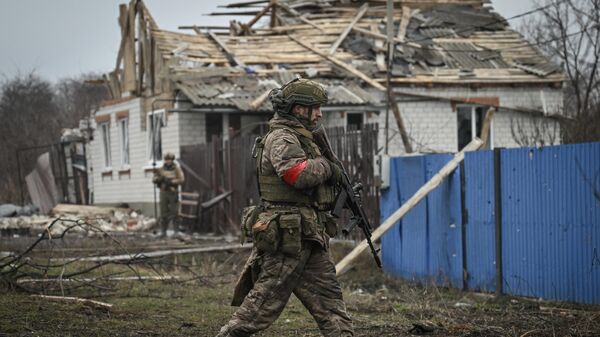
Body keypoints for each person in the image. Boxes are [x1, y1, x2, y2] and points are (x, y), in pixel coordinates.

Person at [216, 78, 353, 337]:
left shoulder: (303, 137)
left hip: (308, 234)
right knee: (261, 307)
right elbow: (296, 174)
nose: (320, 113)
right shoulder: (282, 137)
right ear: (297, 108)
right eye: (315, 107)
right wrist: (327, 167)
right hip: (288, 236)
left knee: (330, 302)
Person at [152, 152, 185, 236]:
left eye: (170, 160)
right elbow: (154, 178)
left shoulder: (176, 169)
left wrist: (171, 182)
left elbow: (181, 179)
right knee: (163, 212)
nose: (168, 161)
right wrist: (157, 179)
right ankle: (163, 231)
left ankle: (176, 231)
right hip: (163, 192)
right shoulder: (161, 169)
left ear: (172, 160)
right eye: (167, 160)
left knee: (174, 212)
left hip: (172, 192)